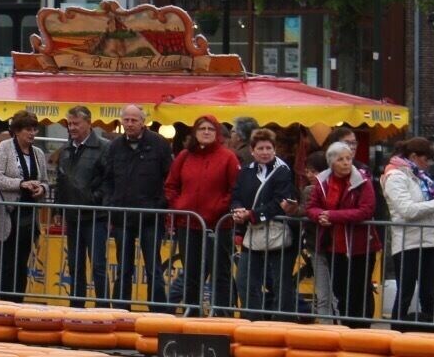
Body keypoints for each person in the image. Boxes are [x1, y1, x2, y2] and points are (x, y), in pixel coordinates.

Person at [101, 104, 174, 309]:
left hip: (151, 216)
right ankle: (121, 310)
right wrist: (110, 203)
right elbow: (107, 179)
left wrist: (160, 205)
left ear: (143, 122)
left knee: (153, 267)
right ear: (122, 121)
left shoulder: (159, 144)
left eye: (134, 120)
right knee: (124, 267)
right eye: (127, 120)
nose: (130, 124)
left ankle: (158, 311)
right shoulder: (114, 146)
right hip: (122, 216)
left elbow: (169, 179)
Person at [164, 115, 240, 314]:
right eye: (202, 128)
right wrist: (179, 205)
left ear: (217, 133)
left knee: (220, 272)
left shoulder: (228, 157)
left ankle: (223, 313)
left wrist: (218, 209)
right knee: (191, 272)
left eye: (210, 129)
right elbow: (171, 185)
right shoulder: (184, 156)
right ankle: (192, 311)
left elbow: (234, 189)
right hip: (188, 223)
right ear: (194, 132)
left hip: (218, 225)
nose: (206, 132)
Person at [378, 137, 434, 328]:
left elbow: (421, 206)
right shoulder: (395, 176)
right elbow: (407, 210)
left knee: (428, 292)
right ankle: (396, 332)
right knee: (406, 292)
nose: (429, 164)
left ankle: (433, 334)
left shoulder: (418, 176)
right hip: (407, 242)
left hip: (428, 239)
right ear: (413, 156)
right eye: (426, 159)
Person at [304, 141, 379, 324]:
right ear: (331, 163)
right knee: (339, 289)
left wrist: (332, 216)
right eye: (341, 159)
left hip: (360, 246)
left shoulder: (362, 181)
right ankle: (345, 328)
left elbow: (366, 210)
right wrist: (320, 215)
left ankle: (360, 329)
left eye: (348, 158)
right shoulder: (323, 181)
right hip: (333, 245)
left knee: (359, 291)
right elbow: (311, 207)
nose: (346, 163)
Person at [228, 128, 297, 320]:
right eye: (260, 148)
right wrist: (237, 209)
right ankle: (252, 319)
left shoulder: (283, 171)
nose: (265, 152)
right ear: (252, 150)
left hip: (276, 231)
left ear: (274, 150)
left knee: (280, 282)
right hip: (252, 233)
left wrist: (252, 214)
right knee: (245, 280)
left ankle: (283, 322)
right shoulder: (245, 172)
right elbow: (236, 195)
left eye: (269, 148)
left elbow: (279, 202)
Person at [53, 106, 109, 307]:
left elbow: (108, 181)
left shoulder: (104, 147)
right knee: (75, 265)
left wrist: (96, 199)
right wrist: (58, 209)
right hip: (73, 214)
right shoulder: (67, 149)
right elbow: (61, 180)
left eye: (76, 123)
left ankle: (103, 307)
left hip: (95, 215)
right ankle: (76, 306)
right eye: (69, 124)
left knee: (98, 265)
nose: (72, 127)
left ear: (88, 123)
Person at [0, 111, 49, 296]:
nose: (32, 133)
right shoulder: (5, 147)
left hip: (29, 216)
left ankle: (18, 302)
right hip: (7, 214)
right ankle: (6, 302)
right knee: (8, 263)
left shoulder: (38, 153)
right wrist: (20, 184)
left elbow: (45, 181)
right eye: (27, 129)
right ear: (17, 130)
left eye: (34, 129)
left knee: (22, 263)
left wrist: (42, 189)